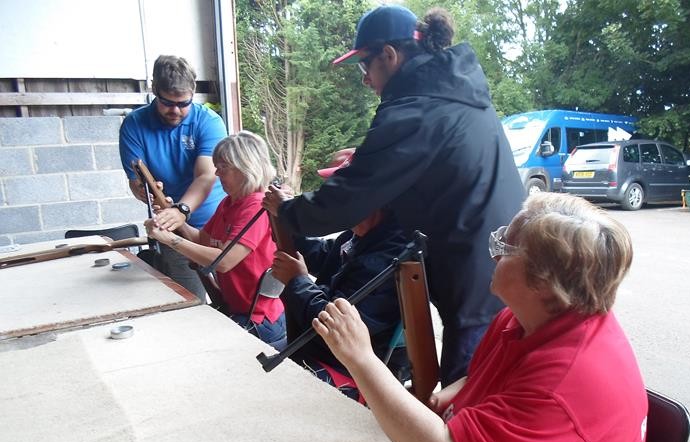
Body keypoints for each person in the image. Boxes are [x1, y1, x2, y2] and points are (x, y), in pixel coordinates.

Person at [310, 193, 668, 442]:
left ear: (543, 283)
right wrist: (451, 393)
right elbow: (494, 379)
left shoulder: (564, 384)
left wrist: (360, 357)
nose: (495, 253)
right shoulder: (527, 318)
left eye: (508, 248)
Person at [263, 6, 524, 386]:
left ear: (389, 55)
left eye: (365, 65)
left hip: (477, 274)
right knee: (473, 380)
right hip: (492, 259)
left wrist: (289, 212)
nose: (366, 79)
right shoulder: (448, 95)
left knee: (467, 389)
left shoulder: (418, 107)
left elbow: (348, 199)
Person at [270, 150, 409, 401]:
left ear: (369, 197)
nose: (328, 198)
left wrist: (297, 281)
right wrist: (288, 220)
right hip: (322, 350)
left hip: (350, 369)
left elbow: (337, 333)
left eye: (336, 190)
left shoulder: (389, 255)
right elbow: (324, 257)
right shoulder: (361, 233)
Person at [145, 131, 286, 348]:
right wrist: (172, 216)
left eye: (223, 167)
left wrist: (170, 240)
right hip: (238, 310)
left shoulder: (257, 205)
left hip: (259, 319)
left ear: (245, 166)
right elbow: (202, 239)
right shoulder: (229, 203)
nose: (217, 173)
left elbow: (224, 261)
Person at [119, 54, 227, 301]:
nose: (176, 110)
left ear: (193, 92)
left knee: (232, 301)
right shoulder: (134, 125)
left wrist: (182, 210)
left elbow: (205, 175)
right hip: (171, 227)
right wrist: (147, 195)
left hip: (217, 226)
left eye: (184, 103)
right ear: (155, 90)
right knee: (190, 302)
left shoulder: (208, 122)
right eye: (167, 102)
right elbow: (136, 183)